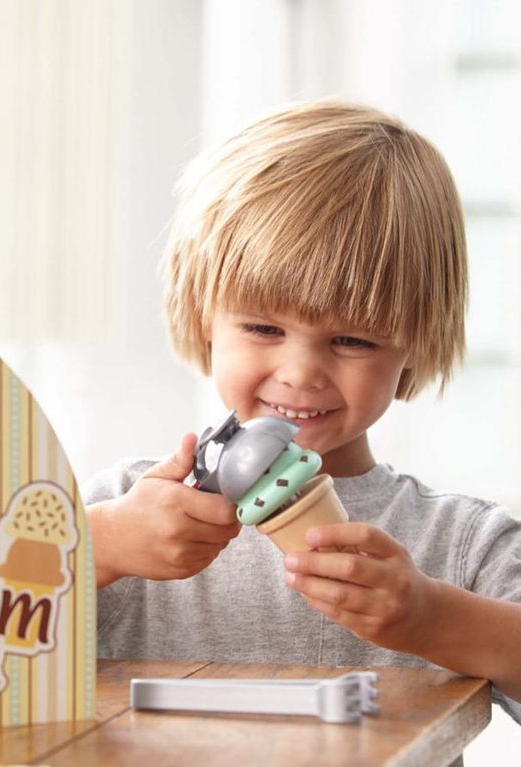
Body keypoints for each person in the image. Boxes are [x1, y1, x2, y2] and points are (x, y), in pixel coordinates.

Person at [84, 101, 521, 727]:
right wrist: (100, 547)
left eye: (353, 340)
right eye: (264, 328)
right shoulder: (126, 507)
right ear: (203, 319)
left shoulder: (461, 543)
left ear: (415, 347)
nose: (300, 372)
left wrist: (431, 617)